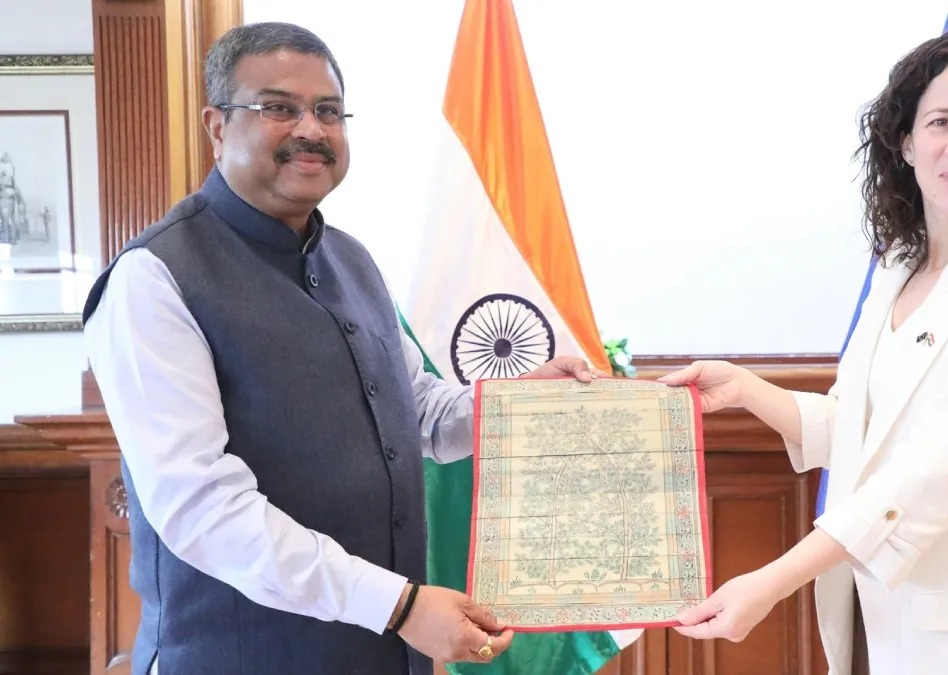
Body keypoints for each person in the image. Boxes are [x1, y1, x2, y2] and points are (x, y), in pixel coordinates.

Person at [82, 22, 598, 675]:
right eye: (278, 108)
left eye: (328, 111)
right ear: (216, 126)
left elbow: (419, 415)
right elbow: (201, 509)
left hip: (386, 652)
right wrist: (402, 606)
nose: (311, 128)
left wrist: (520, 406)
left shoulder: (352, 260)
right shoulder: (153, 279)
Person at [661, 28, 948, 675]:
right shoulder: (897, 267)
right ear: (906, 141)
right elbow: (861, 432)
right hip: (873, 611)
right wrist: (747, 389)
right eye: (941, 120)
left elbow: (931, 469)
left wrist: (771, 581)